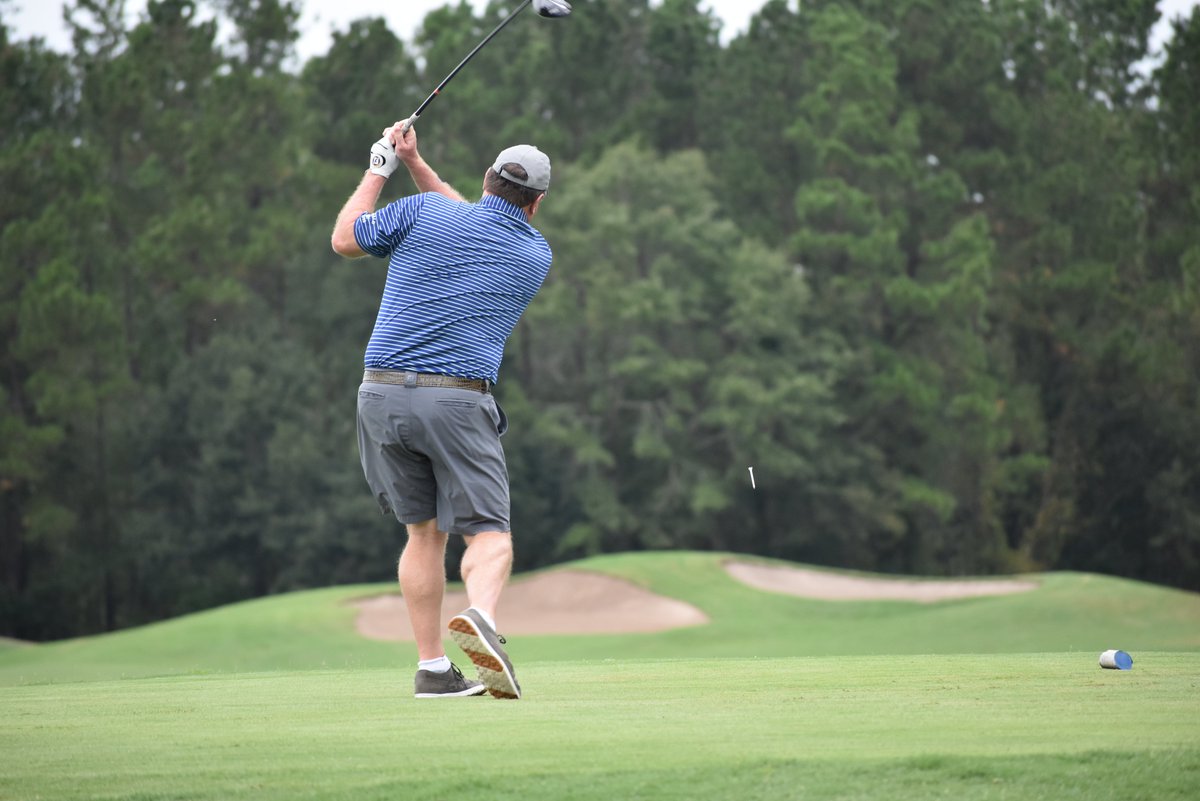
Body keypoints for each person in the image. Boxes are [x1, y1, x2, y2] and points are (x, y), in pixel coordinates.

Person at [330, 120, 554, 700]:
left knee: (423, 535)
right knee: (490, 534)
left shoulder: (422, 214)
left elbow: (345, 238)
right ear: (538, 203)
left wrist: (382, 168)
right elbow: (475, 218)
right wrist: (416, 164)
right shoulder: (534, 252)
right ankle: (481, 615)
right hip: (456, 399)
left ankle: (432, 668)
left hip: (379, 393)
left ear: (486, 180)